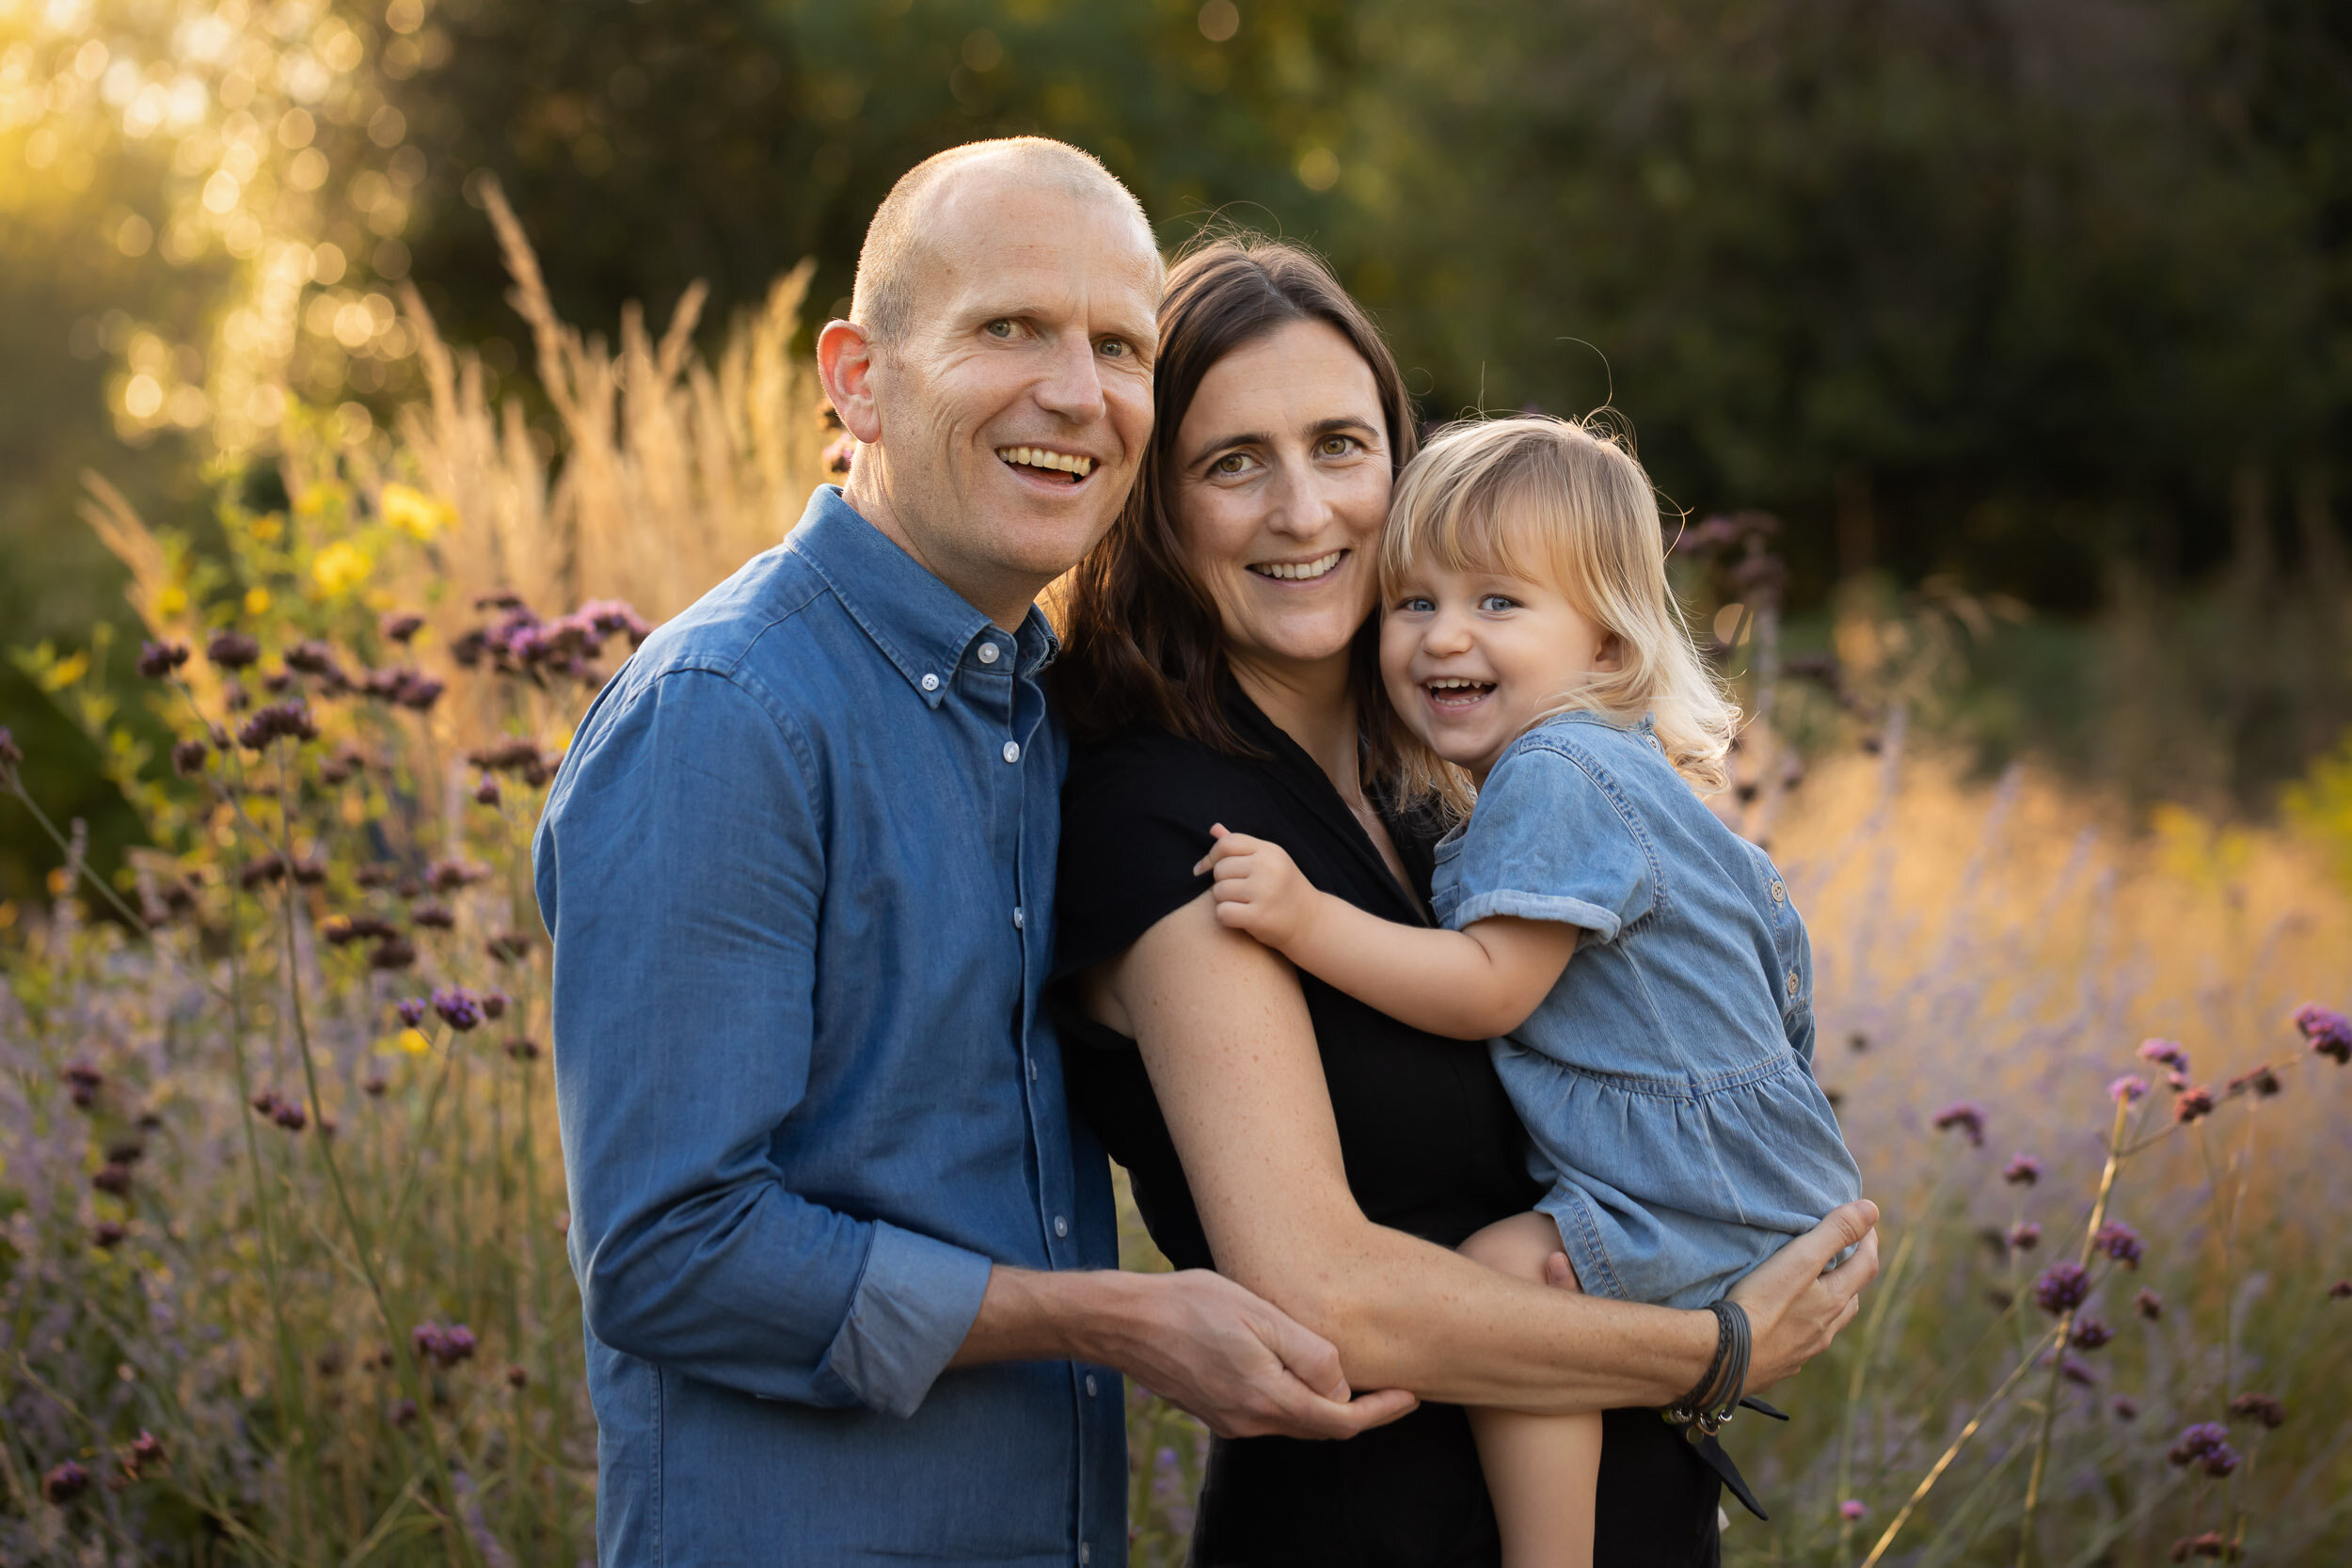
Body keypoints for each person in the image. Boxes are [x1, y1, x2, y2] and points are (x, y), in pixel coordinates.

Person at [534, 139, 1416, 1568]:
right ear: (858, 377)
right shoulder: (729, 714)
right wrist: (1114, 1316)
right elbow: (666, 1248)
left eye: (1118, 344)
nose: (1076, 392)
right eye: (1008, 326)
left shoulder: (1043, 716)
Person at [1051, 236, 1880, 1566]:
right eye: (1232, 462)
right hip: (1385, 1532)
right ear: (1158, 504)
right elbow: (1326, 1292)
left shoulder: (1449, 799)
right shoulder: (1174, 827)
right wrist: (1709, 1346)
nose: (1304, 510)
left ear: (1405, 466)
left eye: (1339, 445)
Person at [1196, 414, 1866, 1566]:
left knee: (1514, 1278)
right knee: (1549, 1284)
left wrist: (1307, 919)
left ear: (1606, 647)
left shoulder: (1554, 773)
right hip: (1748, 1168)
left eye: (1498, 603)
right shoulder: (1620, 769)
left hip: (1698, 1178)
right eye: (1414, 601)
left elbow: (1490, 988)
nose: (1443, 635)